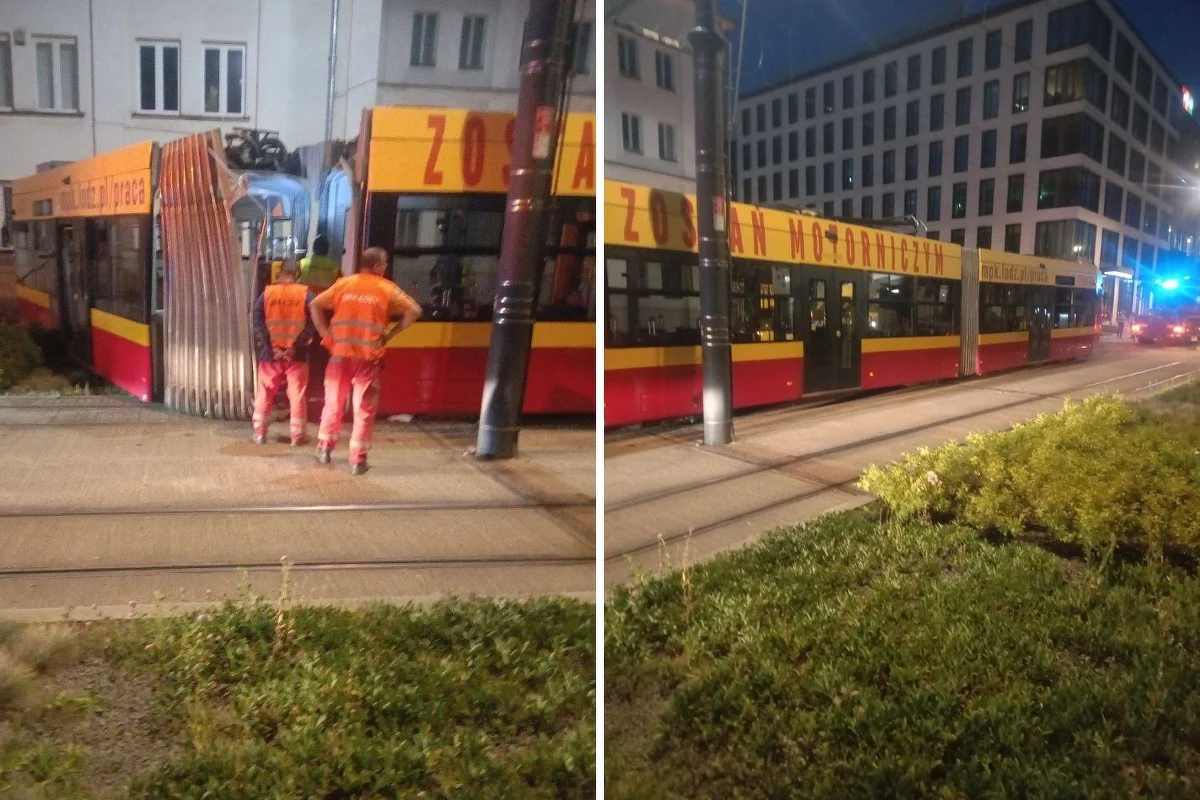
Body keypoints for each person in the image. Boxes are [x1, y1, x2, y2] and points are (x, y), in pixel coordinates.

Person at [310, 247, 422, 474]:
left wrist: (324, 333)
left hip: (339, 355)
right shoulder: (386, 288)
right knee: (363, 407)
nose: (386, 267)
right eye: (385, 263)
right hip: (367, 358)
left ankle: (324, 448)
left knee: (333, 403)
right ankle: (357, 461)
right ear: (378, 266)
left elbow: (315, 305)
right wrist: (389, 335)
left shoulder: (344, 284)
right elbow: (415, 310)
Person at [251, 262, 317, 446]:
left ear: (279, 274)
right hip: (296, 356)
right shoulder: (306, 294)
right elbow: (313, 322)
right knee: (297, 395)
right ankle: (298, 436)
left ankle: (259, 434)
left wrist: (270, 347)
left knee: (265, 393)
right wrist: (295, 346)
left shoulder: (267, 294)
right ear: (298, 275)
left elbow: (257, 322)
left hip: (270, 356)